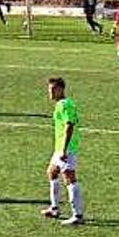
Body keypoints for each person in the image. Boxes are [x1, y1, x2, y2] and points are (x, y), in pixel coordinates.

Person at [40, 78, 84, 226]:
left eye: (54, 89)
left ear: (61, 90)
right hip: (60, 147)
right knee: (52, 172)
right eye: (49, 89)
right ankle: (54, 208)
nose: (50, 92)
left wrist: (64, 150)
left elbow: (69, 126)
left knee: (69, 177)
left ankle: (77, 215)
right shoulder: (61, 104)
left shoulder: (65, 105)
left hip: (67, 148)